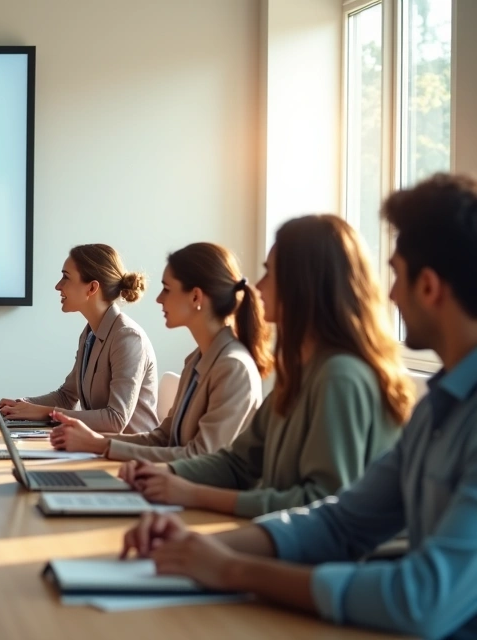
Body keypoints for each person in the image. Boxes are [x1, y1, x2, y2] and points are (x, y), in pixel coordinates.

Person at [120, 173, 477, 639]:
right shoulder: (441, 407)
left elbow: (421, 599)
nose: (389, 294)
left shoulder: (345, 378)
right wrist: (201, 548)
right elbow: (340, 518)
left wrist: (234, 569)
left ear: (429, 287)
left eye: (398, 275)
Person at [120, 215, 414, 517]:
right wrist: (165, 474)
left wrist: (192, 493)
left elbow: (319, 504)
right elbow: (238, 463)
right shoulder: (299, 372)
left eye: (269, 273)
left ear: (303, 284)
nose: (258, 285)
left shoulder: (340, 377)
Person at [50, 243, 271, 461]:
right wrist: (99, 444)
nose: (158, 299)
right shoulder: (197, 359)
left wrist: (99, 445)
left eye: (166, 289)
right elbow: (163, 437)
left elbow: (200, 457)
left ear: (195, 297)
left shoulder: (233, 367)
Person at [0, 243, 159, 433]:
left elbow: (115, 420)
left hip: (131, 457)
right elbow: (67, 396)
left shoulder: (128, 337)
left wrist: (43, 412)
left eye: (65, 277)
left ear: (91, 288)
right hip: (98, 448)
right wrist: (18, 407)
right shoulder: (90, 333)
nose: (58, 285)